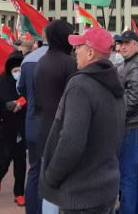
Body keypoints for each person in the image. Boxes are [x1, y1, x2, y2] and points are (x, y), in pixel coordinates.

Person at [39, 27, 125, 214]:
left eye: (78, 46)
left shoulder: (80, 85)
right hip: (106, 186)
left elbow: (71, 142)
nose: (75, 51)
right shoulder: (114, 81)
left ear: (91, 52)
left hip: (81, 194)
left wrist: (51, 177)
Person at [30, 19, 76, 214]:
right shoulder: (69, 63)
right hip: (63, 131)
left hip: (43, 127)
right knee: (64, 183)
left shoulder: (41, 62)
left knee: (48, 181)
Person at [0, 51, 27, 207]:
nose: (18, 73)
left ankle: (19, 193)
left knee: (21, 161)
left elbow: (32, 97)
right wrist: (6, 107)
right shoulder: (0, 84)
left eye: (20, 70)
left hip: (21, 128)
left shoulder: (25, 83)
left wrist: (22, 102)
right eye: (15, 70)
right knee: (4, 160)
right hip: (4, 129)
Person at [116, 30, 138, 214]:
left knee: (128, 178)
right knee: (134, 177)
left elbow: (132, 100)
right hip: (134, 126)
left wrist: (115, 113)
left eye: (127, 43)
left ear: (136, 44)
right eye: (121, 43)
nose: (122, 47)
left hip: (132, 127)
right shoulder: (132, 62)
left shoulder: (135, 65)